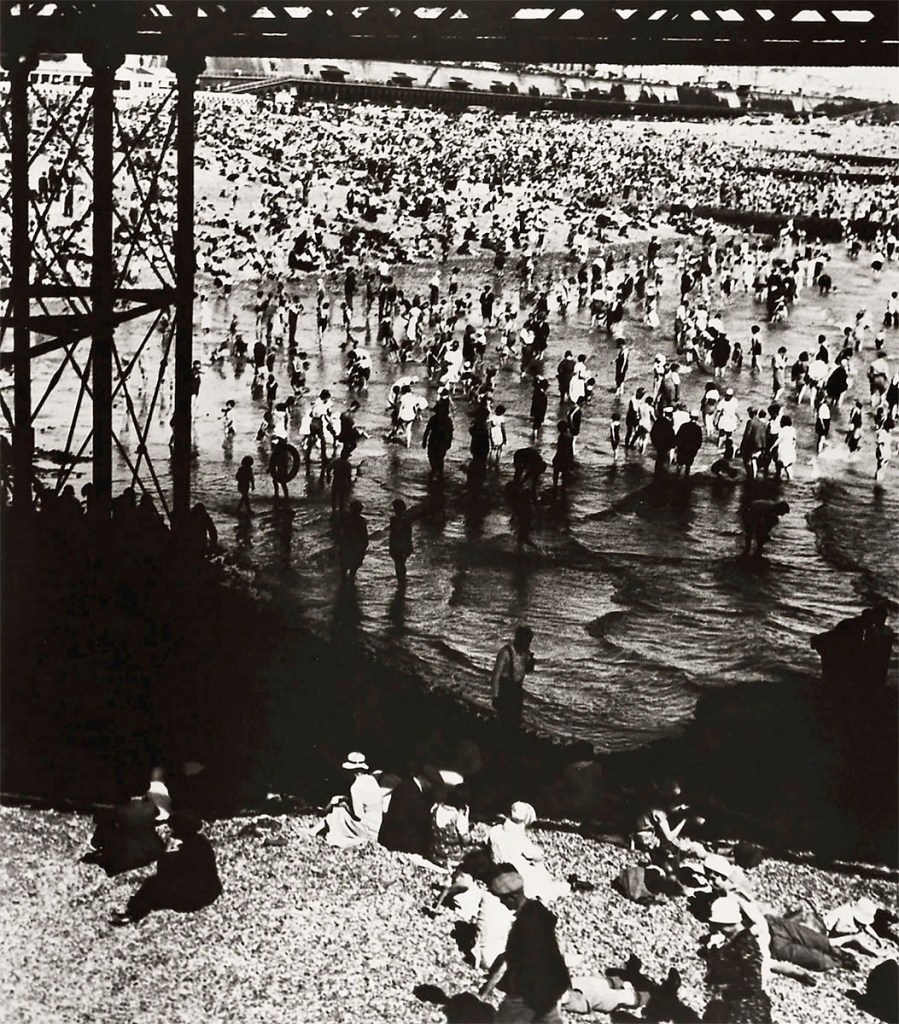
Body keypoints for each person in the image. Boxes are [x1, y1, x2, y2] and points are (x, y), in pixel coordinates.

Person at [479, 867, 571, 1023]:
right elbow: (558, 946)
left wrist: (483, 993)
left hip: (529, 991)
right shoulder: (537, 909)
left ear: (513, 897)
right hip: (553, 985)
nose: (502, 903)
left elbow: (506, 964)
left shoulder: (523, 926)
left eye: (503, 899)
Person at [111, 814, 221, 926]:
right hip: (202, 893)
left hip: (193, 893)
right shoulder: (201, 842)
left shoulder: (188, 846)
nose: (172, 833)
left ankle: (132, 914)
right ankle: (132, 915)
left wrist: (167, 852)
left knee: (153, 887)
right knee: (155, 892)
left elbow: (164, 872)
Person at [700, 895, 773, 1023]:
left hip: (747, 1010)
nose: (718, 930)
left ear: (728, 924)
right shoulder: (737, 942)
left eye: (719, 926)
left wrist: (726, 989)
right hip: (740, 1006)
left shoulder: (745, 944)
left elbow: (753, 982)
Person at [488, 802, 569, 903]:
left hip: (496, 869)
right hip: (516, 873)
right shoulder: (520, 839)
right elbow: (535, 856)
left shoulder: (495, 830)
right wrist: (539, 853)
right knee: (541, 876)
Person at [317, 751, 383, 849]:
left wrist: (344, 804)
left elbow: (358, 815)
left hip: (365, 831)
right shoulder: (372, 780)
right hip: (376, 828)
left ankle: (316, 831)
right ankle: (314, 830)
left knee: (339, 810)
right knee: (340, 806)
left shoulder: (356, 786)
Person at [378, 767, 443, 856]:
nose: (430, 787)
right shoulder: (411, 792)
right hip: (400, 842)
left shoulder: (407, 785)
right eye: (430, 784)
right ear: (423, 779)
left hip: (396, 837)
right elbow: (414, 819)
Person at [491, 626, 535, 732]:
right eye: (526, 642)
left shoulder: (526, 653)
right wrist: (495, 696)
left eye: (529, 642)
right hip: (505, 689)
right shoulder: (506, 652)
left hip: (517, 690)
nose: (527, 645)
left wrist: (530, 665)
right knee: (505, 720)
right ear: (518, 638)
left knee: (516, 719)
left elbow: (525, 671)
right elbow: (495, 676)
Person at [337, 499, 368, 577]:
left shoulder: (346, 519)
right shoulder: (361, 521)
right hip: (355, 547)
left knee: (344, 569)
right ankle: (350, 583)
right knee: (353, 569)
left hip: (348, 547)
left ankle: (345, 584)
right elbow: (364, 536)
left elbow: (341, 534)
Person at [388, 498, 413, 584]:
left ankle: (401, 580)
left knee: (399, 563)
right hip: (399, 544)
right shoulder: (404, 520)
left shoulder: (394, 520)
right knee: (400, 563)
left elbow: (394, 534)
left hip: (398, 544)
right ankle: (402, 580)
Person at [675, 410, 704, 475]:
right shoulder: (698, 428)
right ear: (697, 418)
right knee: (688, 465)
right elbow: (699, 441)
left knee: (679, 463)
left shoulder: (684, 426)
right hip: (691, 449)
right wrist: (696, 449)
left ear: (690, 417)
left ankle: (676, 477)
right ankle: (686, 478)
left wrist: (678, 446)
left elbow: (678, 437)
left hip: (682, 448)